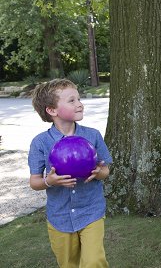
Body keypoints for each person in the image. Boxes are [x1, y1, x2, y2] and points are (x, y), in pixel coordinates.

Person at [28, 78, 112, 268]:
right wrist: (50, 181)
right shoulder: (40, 142)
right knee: (68, 264)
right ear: (52, 110)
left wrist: (99, 172)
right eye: (71, 100)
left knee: (93, 262)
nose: (80, 104)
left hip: (91, 210)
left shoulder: (93, 135)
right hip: (60, 216)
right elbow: (34, 182)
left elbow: (105, 169)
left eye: (79, 99)